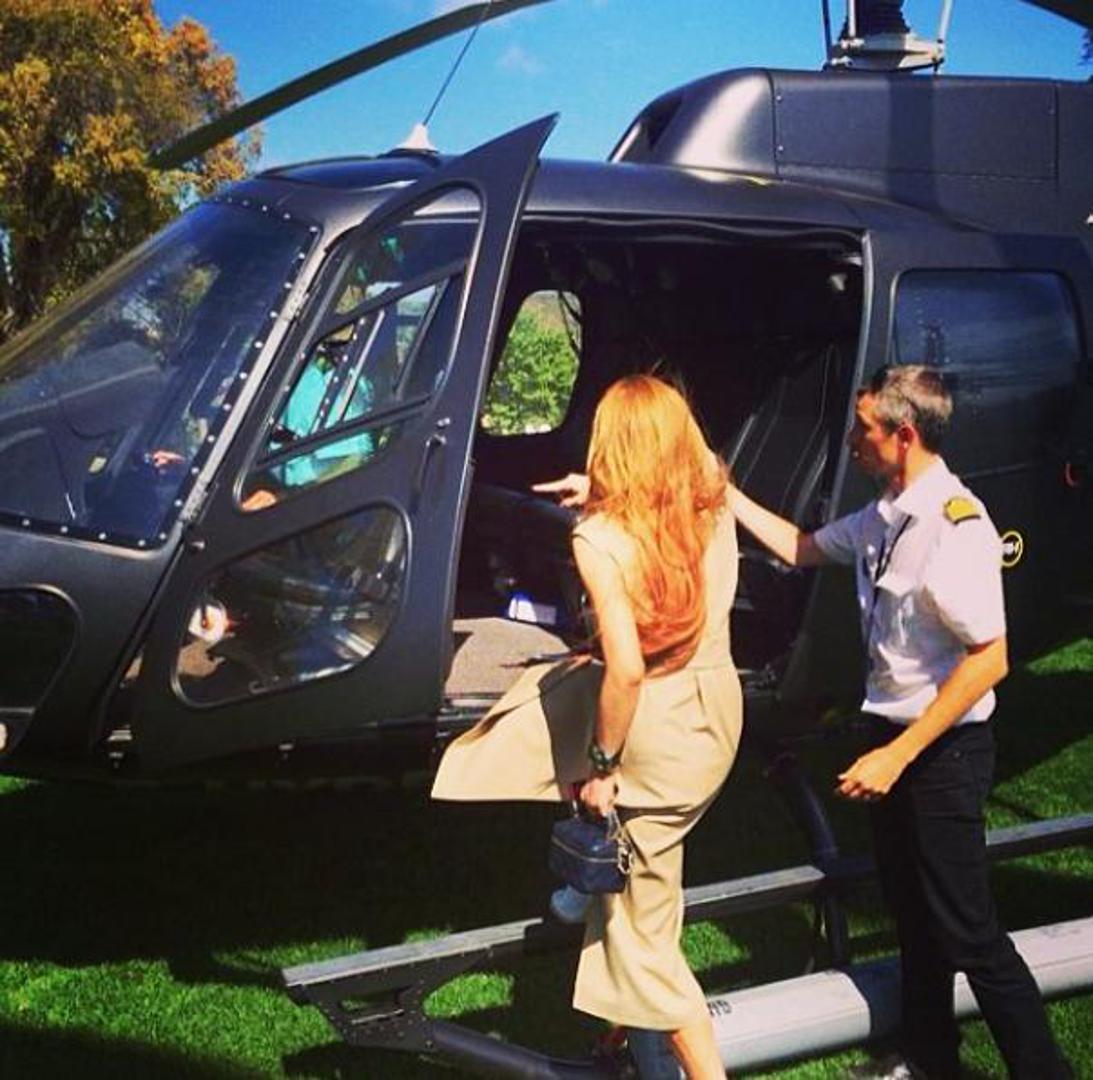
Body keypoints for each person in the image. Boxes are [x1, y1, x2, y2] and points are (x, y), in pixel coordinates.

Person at [729, 364, 1070, 1080]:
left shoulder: (955, 527)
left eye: (863, 430)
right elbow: (801, 549)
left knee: (969, 931)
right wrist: (722, 492)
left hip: (943, 750)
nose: (852, 441)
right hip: (895, 737)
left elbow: (990, 659)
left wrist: (899, 755)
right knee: (913, 916)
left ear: (903, 434)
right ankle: (927, 1057)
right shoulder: (886, 512)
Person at [432, 374, 742, 1079]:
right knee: (644, 890)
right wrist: (610, 488)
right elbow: (695, 460)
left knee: (642, 944)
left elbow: (626, 670)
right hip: (715, 714)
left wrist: (602, 770)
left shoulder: (600, 540)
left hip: (657, 731)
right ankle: (617, 1033)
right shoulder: (711, 502)